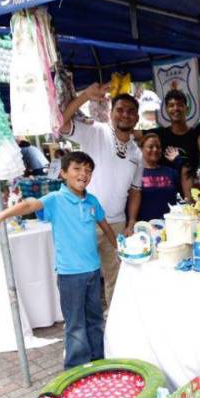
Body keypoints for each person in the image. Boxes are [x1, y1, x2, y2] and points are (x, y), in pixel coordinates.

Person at [0, 151, 114, 369]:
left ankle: (98, 363)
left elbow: (104, 225)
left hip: (93, 271)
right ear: (63, 173)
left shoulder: (92, 200)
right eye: (77, 169)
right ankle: (76, 369)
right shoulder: (56, 199)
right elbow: (29, 205)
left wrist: (119, 248)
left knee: (96, 320)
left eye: (88, 170)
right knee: (76, 325)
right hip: (70, 275)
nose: (84, 174)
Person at [61, 83, 143, 306]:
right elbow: (61, 123)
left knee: (116, 279)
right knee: (81, 278)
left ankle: (114, 328)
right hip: (83, 220)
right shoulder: (95, 131)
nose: (125, 115)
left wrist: (131, 222)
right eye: (120, 109)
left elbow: (136, 191)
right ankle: (81, 325)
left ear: (137, 118)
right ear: (111, 112)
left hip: (116, 224)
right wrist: (85, 95)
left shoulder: (137, 152)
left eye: (130, 111)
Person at [147, 89, 200, 192]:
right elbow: (132, 133)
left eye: (180, 105)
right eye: (171, 105)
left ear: (186, 108)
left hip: (193, 195)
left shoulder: (197, 136)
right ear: (166, 109)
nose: (176, 108)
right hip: (165, 194)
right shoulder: (159, 134)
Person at [136, 133, 181, 221]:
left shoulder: (171, 172)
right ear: (141, 149)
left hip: (169, 225)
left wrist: (178, 161)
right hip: (144, 227)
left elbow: (183, 196)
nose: (155, 149)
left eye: (158, 147)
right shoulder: (135, 173)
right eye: (150, 146)